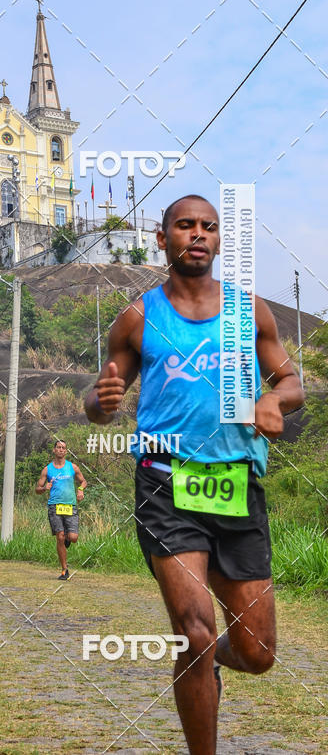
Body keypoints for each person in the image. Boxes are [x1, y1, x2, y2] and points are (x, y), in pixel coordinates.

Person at [84, 194, 304, 755]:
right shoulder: (139, 315)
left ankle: (211, 664)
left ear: (218, 241)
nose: (198, 234)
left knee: (258, 653)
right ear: (164, 239)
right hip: (165, 483)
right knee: (195, 631)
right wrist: (99, 400)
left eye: (208, 226)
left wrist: (276, 400)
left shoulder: (249, 311)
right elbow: (102, 396)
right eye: (185, 225)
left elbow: (292, 382)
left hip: (236, 485)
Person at [35, 439, 87, 580]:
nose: (61, 450)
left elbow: (83, 481)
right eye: (58, 447)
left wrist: (81, 489)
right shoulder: (47, 469)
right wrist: (44, 488)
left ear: (66, 451)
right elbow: (37, 489)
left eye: (63, 448)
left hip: (70, 505)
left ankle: (67, 540)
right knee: (60, 537)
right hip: (55, 506)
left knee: (73, 538)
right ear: (54, 450)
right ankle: (65, 569)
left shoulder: (72, 467)